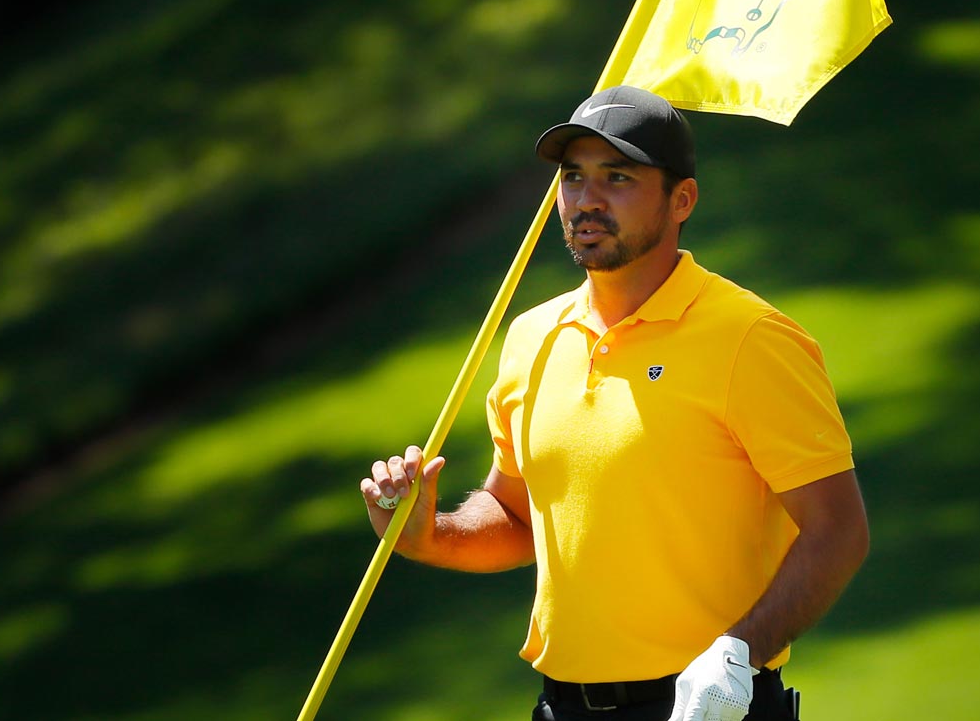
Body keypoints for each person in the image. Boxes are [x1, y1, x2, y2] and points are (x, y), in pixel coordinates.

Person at [360, 85, 869, 721]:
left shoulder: (750, 337)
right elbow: (518, 517)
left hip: (709, 706)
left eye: (618, 177)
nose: (586, 200)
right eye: (573, 178)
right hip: (561, 708)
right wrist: (429, 535)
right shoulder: (531, 337)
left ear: (682, 199)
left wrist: (739, 653)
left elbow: (838, 530)